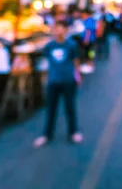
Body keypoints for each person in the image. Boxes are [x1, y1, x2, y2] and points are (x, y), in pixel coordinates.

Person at [34, 20, 83, 148]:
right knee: (51, 109)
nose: (58, 31)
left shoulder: (71, 45)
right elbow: (46, 62)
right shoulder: (49, 46)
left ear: (66, 30)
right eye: (56, 28)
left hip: (68, 80)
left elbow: (76, 61)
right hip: (53, 81)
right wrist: (45, 78)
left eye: (61, 28)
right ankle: (47, 134)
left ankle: (73, 132)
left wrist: (77, 76)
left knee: (69, 107)